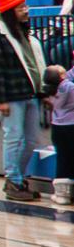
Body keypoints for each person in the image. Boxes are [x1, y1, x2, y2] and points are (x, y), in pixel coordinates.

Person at [0, 0, 51, 202]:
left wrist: (44, 91)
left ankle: (18, 177)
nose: (26, 11)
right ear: (9, 12)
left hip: (30, 93)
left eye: (25, 7)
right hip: (11, 95)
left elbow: (36, 65)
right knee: (14, 138)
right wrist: (0, 99)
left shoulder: (25, 35)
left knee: (31, 140)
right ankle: (13, 179)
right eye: (21, 8)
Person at [46, 67, 74, 205]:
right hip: (71, 125)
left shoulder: (51, 90)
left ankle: (62, 194)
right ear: (62, 75)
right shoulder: (69, 87)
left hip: (57, 126)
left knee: (62, 157)